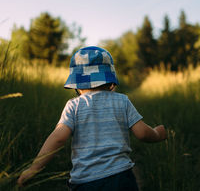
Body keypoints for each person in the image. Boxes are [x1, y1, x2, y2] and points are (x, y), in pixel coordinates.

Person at [17, 46, 167, 190]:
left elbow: (58, 138)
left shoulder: (73, 106)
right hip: (121, 178)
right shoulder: (122, 101)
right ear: (111, 81)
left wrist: (34, 168)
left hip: (86, 182)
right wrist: (157, 133)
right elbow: (142, 133)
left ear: (77, 84)